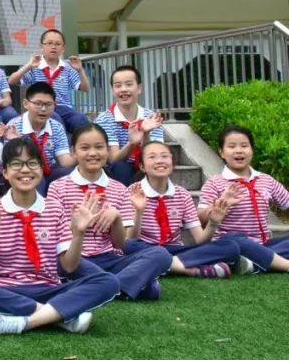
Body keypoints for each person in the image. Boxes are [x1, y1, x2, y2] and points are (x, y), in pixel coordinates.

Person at [0, 137, 121, 335]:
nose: (25, 170)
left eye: (32, 163)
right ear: (5, 172)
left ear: (41, 169)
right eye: (16, 164)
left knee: (108, 282)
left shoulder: (55, 209)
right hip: (6, 290)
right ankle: (60, 317)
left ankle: (25, 322)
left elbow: (69, 267)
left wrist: (79, 233)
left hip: (49, 289)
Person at [47, 124, 172, 301]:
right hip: (75, 259)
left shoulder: (119, 189)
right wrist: (77, 225)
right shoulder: (58, 187)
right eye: (85, 148)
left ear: (107, 150)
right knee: (62, 264)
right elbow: (53, 236)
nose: (93, 153)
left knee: (161, 254)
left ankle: (106, 286)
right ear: (74, 152)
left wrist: (117, 218)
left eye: (99, 147)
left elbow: (121, 244)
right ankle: (128, 286)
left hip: (109, 258)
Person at [125, 141, 241, 278]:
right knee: (128, 246)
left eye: (164, 156)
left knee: (231, 247)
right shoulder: (133, 192)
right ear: (142, 166)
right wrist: (139, 211)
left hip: (175, 250)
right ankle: (189, 269)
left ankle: (164, 264)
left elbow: (200, 240)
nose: (159, 161)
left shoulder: (182, 194)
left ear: (172, 163)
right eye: (152, 157)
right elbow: (131, 239)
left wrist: (213, 222)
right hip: (145, 249)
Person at [197, 125, 289, 274]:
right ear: (221, 152)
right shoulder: (214, 183)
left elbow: (287, 202)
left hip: (264, 244)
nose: (239, 150)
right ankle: (282, 264)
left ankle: (253, 264)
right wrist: (219, 205)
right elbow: (200, 219)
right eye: (232, 146)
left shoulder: (266, 180)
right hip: (231, 245)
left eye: (244, 146)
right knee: (233, 240)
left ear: (252, 150)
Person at [93, 65, 164, 185]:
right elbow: (113, 158)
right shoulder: (104, 120)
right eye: (118, 86)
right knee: (121, 166)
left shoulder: (151, 118)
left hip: (143, 165)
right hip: (116, 171)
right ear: (113, 90)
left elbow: (155, 154)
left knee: (156, 164)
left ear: (139, 88)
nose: (123, 89)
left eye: (129, 84)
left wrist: (146, 133)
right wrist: (131, 144)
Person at [9, 29, 89, 133]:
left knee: (80, 119)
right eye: (49, 43)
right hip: (42, 106)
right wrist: (28, 65)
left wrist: (80, 70)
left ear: (63, 48)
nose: (53, 47)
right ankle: (63, 143)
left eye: (58, 44)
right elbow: (12, 81)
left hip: (63, 108)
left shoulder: (67, 68)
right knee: (55, 118)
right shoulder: (35, 66)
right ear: (41, 47)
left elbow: (85, 88)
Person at [5, 82, 76, 192]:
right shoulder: (14, 126)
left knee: (70, 173)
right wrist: (19, 142)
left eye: (48, 104)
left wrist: (81, 152)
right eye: (38, 104)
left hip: (49, 171)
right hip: (24, 171)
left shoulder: (56, 127)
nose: (43, 109)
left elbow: (65, 162)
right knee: (37, 178)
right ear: (26, 104)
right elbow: (10, 162)